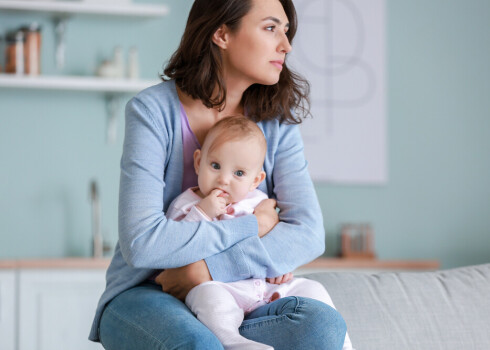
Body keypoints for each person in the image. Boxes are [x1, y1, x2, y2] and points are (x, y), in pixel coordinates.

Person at [89, 0, 348, 349]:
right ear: (222, 33)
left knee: (321, 326)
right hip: (150, 292)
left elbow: (309, 233)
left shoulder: (276, 123)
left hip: (240, 292)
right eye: (271, 28)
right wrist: (250, 226)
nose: (286, 45)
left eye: (286, 32)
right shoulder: (153, 111)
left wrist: (205, 271)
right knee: (198, 345)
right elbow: (142, 243)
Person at [161, 115, 354, 350]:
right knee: (208, 299)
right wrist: (203, 212)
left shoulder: (259, 203)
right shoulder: (186, 205)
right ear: (198, 161)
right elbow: (174, 246)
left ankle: (345, 345)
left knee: (314, 289)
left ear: (256, 180)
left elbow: (281, 240)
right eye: (215, 166)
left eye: (239, 173)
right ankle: (232, 341)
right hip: (222, 286)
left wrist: (280, 264)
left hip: (264, 287)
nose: (223, 179)